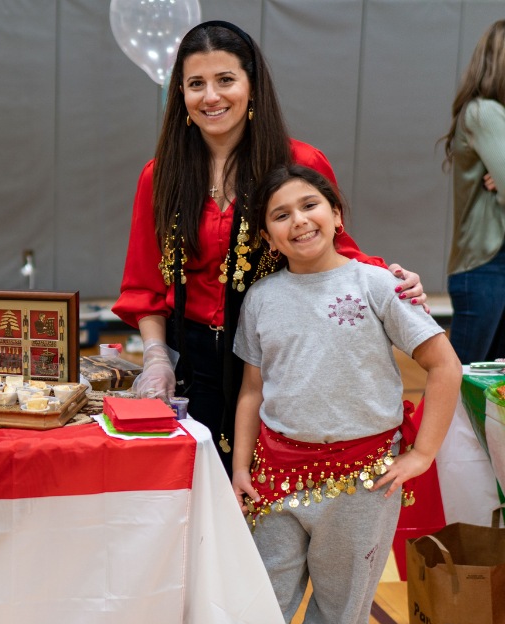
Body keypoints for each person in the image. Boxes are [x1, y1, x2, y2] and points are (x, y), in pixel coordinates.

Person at [112, 20, 426, 472]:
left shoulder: (299, 163)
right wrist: (156, 358)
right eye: (195, 84)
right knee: (197, 500)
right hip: (192, 367)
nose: (211, 97)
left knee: (270, 504)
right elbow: (145, 285)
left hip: (281, 359)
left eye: (225, 80)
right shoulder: (158, 176)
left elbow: (341, 254)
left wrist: (392, 278)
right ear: (180, 94)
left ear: (252, 86)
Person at [230, 165, 461, 624]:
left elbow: (445, 367)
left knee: (341, 612)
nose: (298, 220)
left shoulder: (377, 285)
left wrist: (423, 454)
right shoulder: (259, 298)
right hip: (276, 476)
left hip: (363, 484)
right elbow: (252, 391)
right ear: (268, 237)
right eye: (281, 215)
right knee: (257, 605)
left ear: (337, 216)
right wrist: (240, 466)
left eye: (310, 205)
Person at [442, 19, 505, 364]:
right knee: (461, 382)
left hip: (493, 267)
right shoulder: (486, 112)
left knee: (493, 388)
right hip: (486, 266)